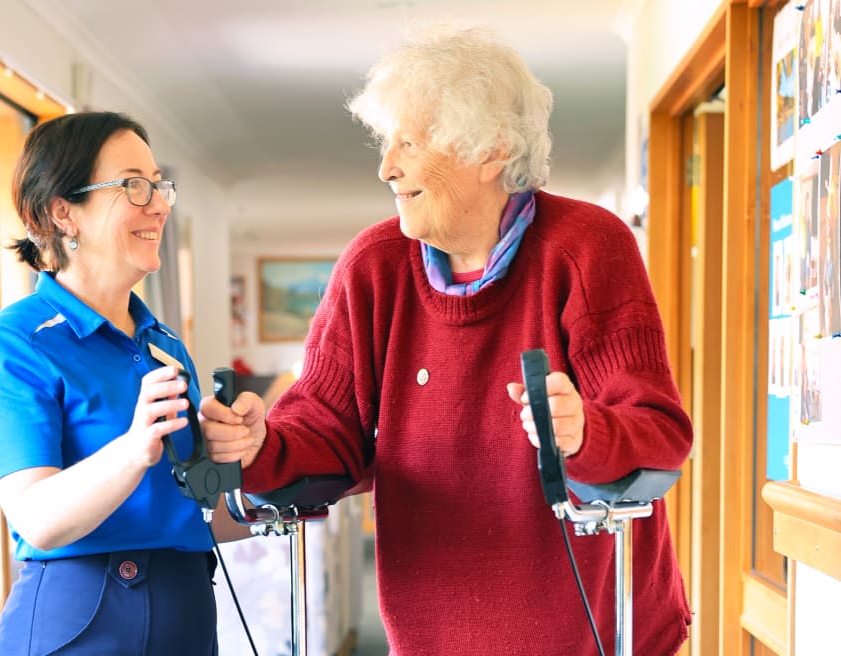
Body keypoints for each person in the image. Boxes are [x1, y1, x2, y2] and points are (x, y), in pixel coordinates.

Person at [200, 23, 693, 655]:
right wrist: (260, 443)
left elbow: (659, 431)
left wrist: (585, 431)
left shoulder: (588, 247)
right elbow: (326, 428)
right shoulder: (373, 266)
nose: (387, 166)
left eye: (410, 141)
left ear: (491, 150)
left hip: (593, 630)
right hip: (431, 631)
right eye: (387, 142)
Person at [0, 111, 247, 655]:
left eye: (159, 185)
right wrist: (134, 448)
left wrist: (245, 451)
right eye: (134, 186)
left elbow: (195, 512)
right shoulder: (14, 344)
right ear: (61, 212)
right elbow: (38, 519)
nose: (161, 204)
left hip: (187, 611)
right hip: (82, 624)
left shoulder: (164, 343)